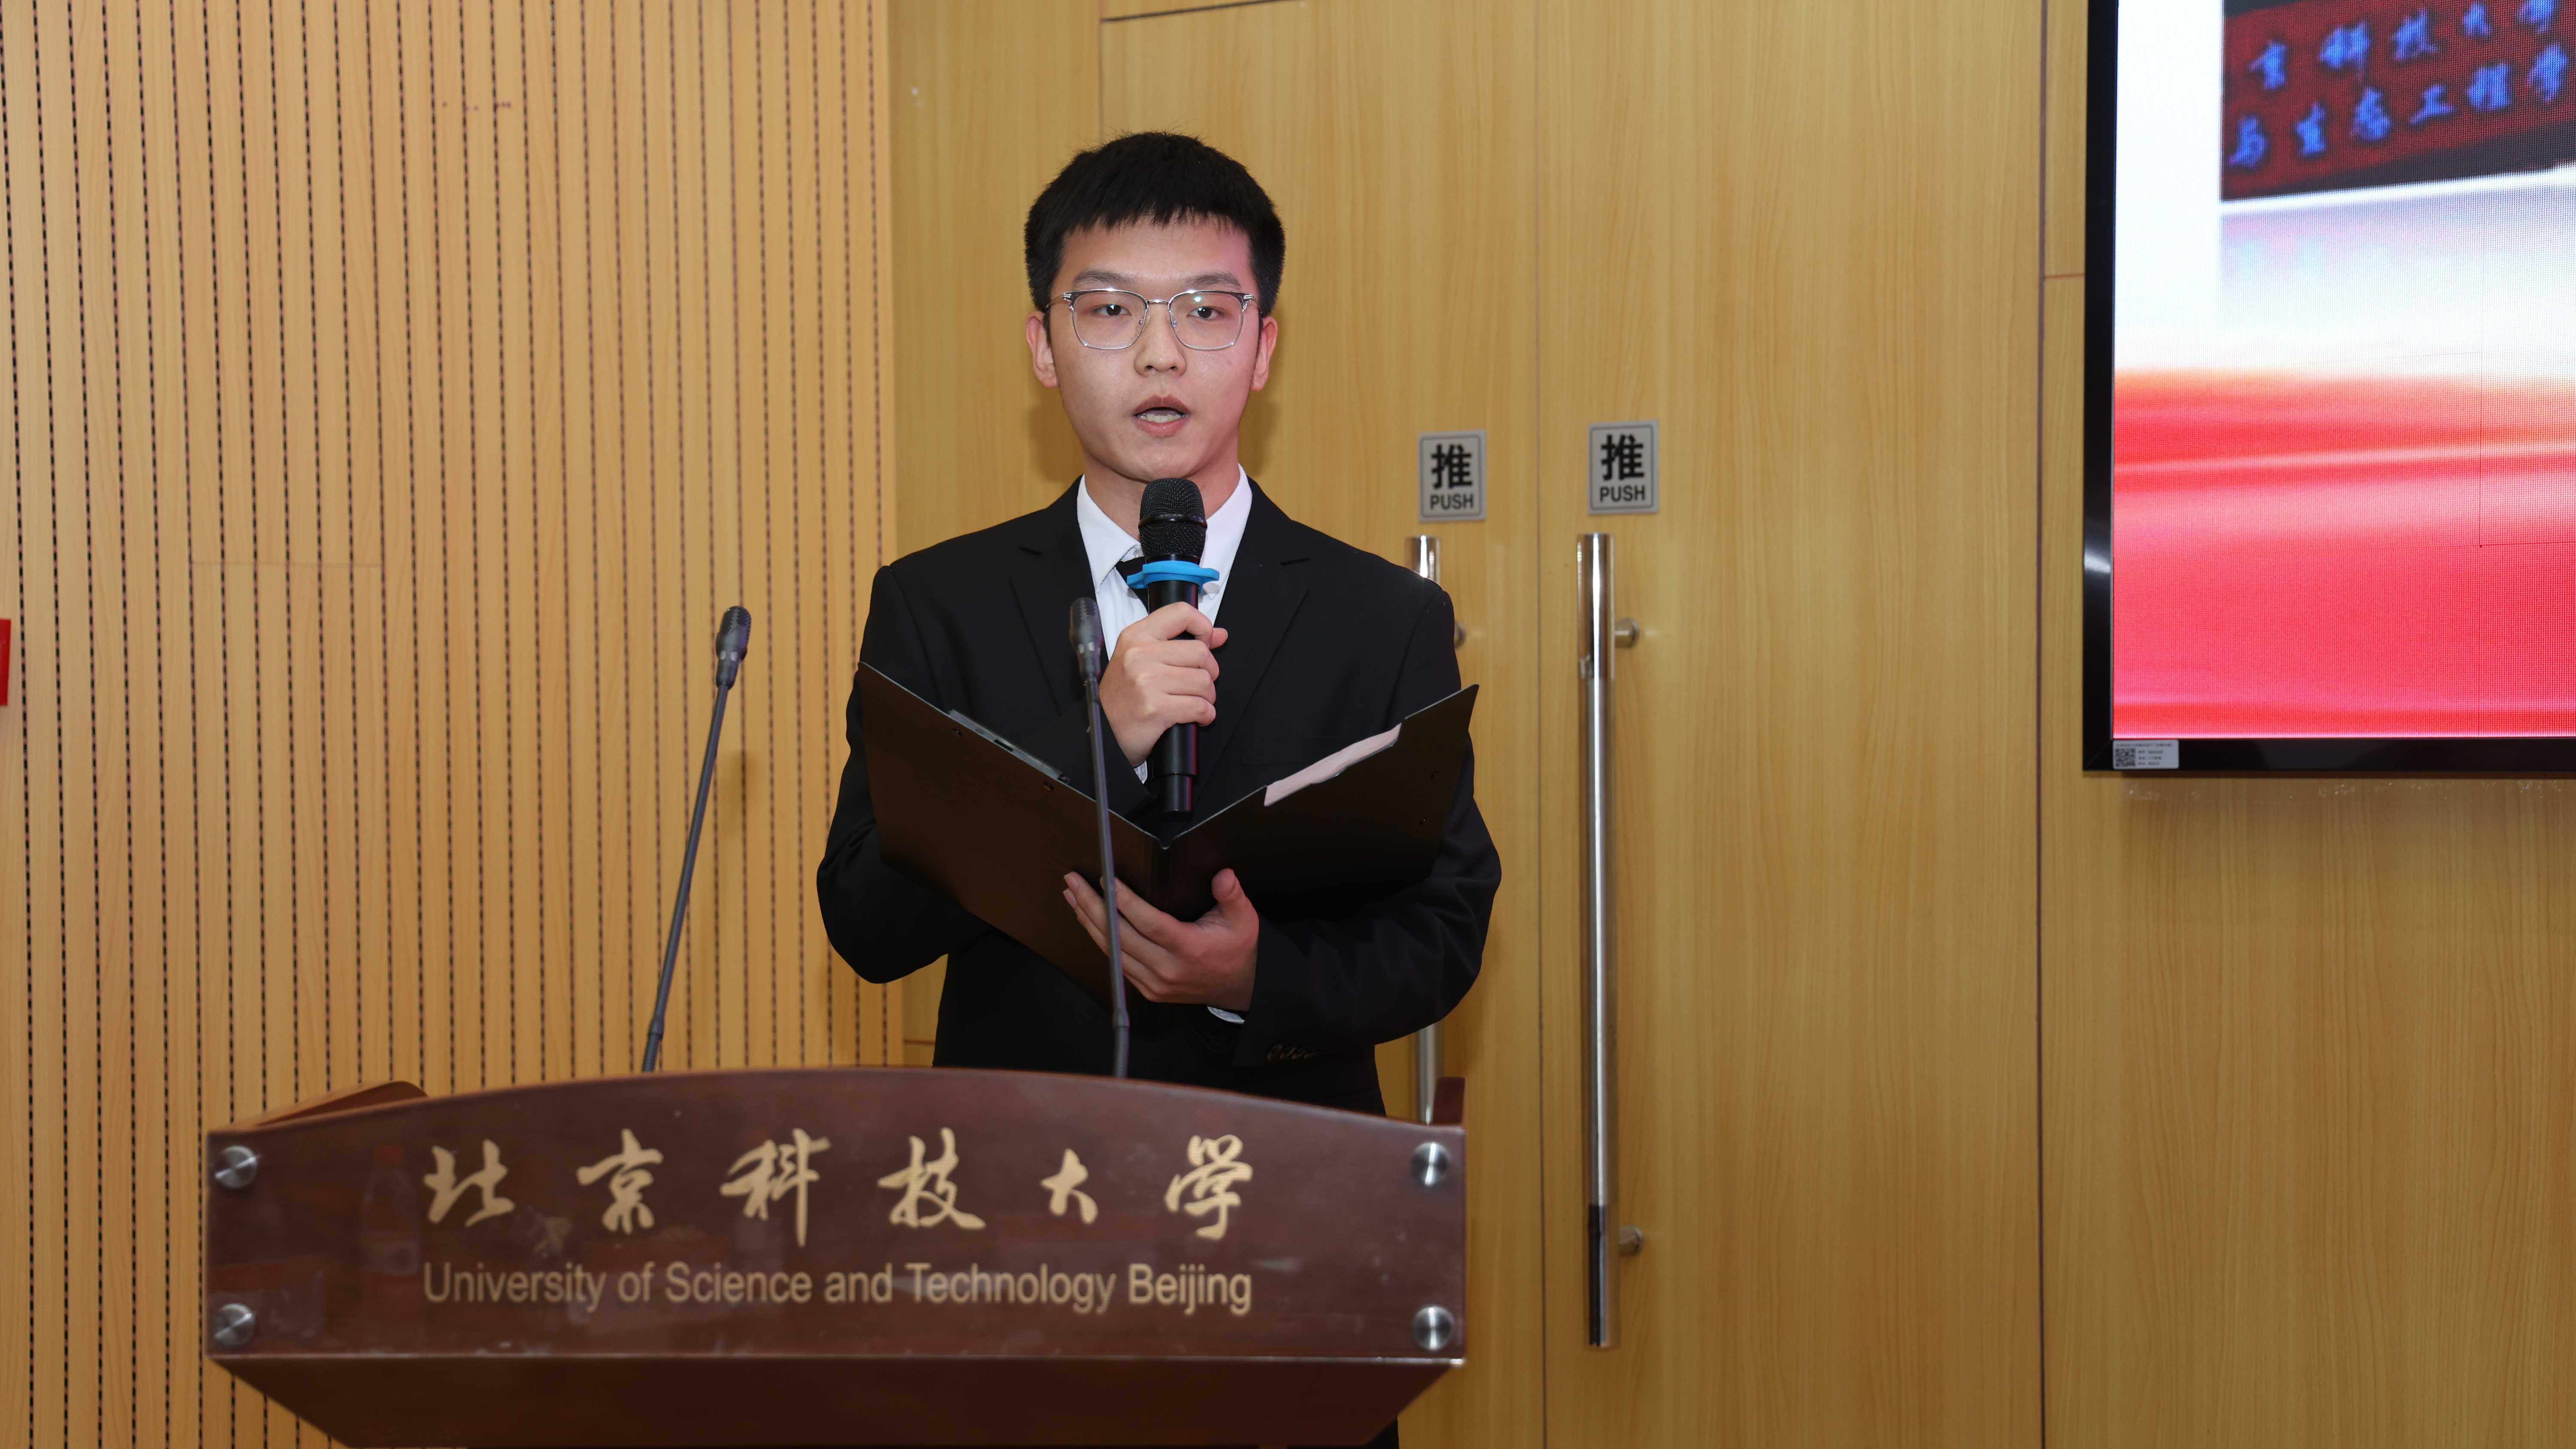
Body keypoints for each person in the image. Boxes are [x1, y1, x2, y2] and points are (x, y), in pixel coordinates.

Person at [817, 131, 1498, 1118]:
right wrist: (1096, 742)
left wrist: (1254, 977)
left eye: (1206, 311)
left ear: (1263, 349)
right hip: (1024, 1172)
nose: (1159, 352)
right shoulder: (938, 603)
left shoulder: (1382, 617)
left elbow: (1443, 929)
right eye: (1109, 310)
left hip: (1288, 1170)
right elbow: (868, 921)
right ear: (1044, 347)